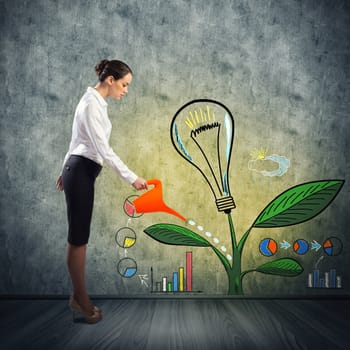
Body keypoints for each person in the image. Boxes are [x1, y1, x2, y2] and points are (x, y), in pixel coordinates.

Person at [56, 59, 148, 324]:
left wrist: (64, 169)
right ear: (110, 80)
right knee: (78, 239)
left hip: (79, 171)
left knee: (80, 237)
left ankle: (79, 298)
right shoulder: (90, 105)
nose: (126, 90)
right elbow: (103, 150)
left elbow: (76, 139)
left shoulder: (93, 102)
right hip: (81, 171)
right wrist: (132, 178)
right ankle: (82, 302)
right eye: (124, 84)